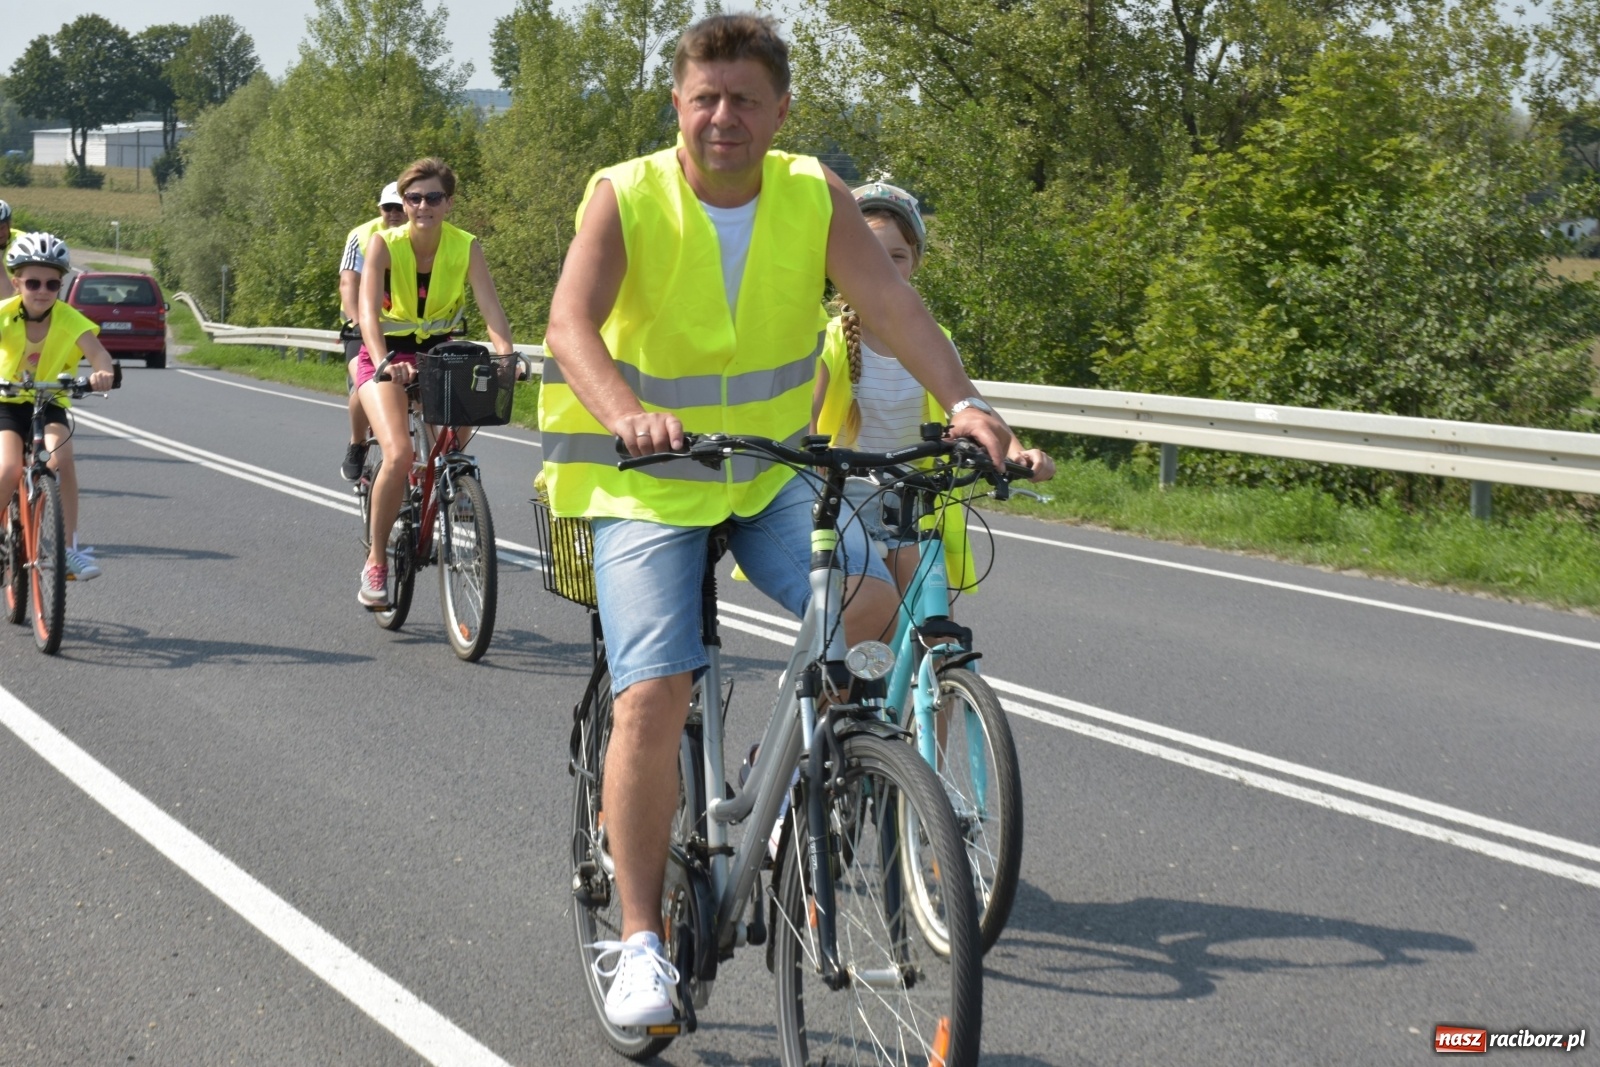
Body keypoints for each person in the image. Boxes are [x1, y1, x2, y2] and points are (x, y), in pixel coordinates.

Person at [539, 12, 1016, 1029]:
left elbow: (889, 306)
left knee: (873, 597)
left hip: (763, 474)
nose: (724, 117)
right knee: (654, 689)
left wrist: (967, 402)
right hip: (647, 480)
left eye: (745, 100)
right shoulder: (626, 195)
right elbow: (568, 324)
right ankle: (640, 943)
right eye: (705, 98)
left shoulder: (811, 194)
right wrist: (625, 412)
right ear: (678, 103)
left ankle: (774, 768)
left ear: (781, 110)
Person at [814, 181, 1056, 595]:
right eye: (871, 256)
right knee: (865, 608)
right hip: (845, 502)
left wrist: (1018, 452)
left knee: (932, 611)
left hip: (913, 501)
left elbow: (971, 406)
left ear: (916, 261)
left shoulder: (934, 342)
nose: (884, 268)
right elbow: (804, 418)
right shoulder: (830, 341)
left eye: (897, 256)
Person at [355, 157, 516, 608]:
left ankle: (444, 483)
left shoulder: (466, 247)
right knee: (399, 453)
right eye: (414, 198)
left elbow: (491, 310)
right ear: (404, 203)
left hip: (438, 355)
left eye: (433, 197)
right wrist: (385, 362)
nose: (423, 206)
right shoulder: (383, 244)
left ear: (449, 203)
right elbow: (367, 313)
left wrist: (506, 356)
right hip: (387, 357)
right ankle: (376, 561)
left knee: (464, 419)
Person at [0, 233, 118, 579]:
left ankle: (69, 550)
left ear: (60, 286)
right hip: (7, 402)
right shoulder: (4, 314)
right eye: (33, 283)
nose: (42, 291)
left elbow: (98, 354)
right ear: (16, 283)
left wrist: (102, 373)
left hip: (49, 401)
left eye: (52, 284)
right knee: (8, 468)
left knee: (62, 460)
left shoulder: (69, 318)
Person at [337, 182, 409, 481]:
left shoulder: (423, 236)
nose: (394, 213)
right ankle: (357, 443)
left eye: (399, 207)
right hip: (363, 328)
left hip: (406, 329)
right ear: (380, 209)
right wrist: (357, 322)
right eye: (387, 208)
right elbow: (348, 283)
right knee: (362, 383)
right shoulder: (362, 235)